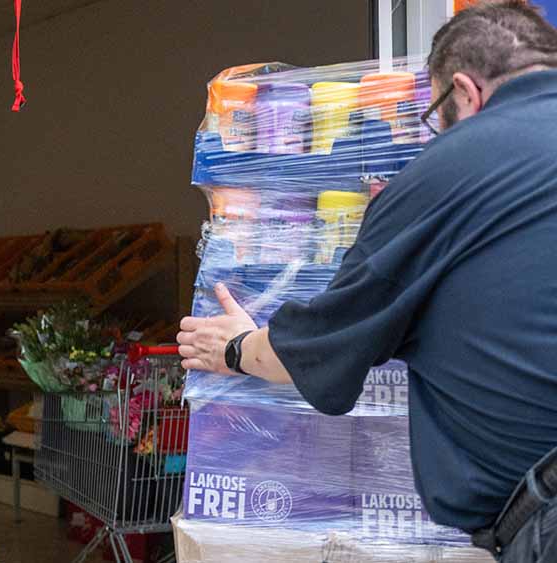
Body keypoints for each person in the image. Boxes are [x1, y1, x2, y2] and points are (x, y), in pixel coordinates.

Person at [176, 2, 557, 561]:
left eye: (434, 117)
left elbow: (324, 350)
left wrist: (233, 346)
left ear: (465, 93)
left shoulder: (452, 172)